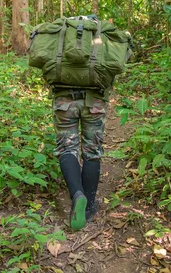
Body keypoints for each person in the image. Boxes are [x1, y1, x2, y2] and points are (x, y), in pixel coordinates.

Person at [52, 78, 109, 231]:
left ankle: (77, 193)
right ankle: (88, 207)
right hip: (95, 101)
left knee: (67, 148)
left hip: (64, 99)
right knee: (92, 152)